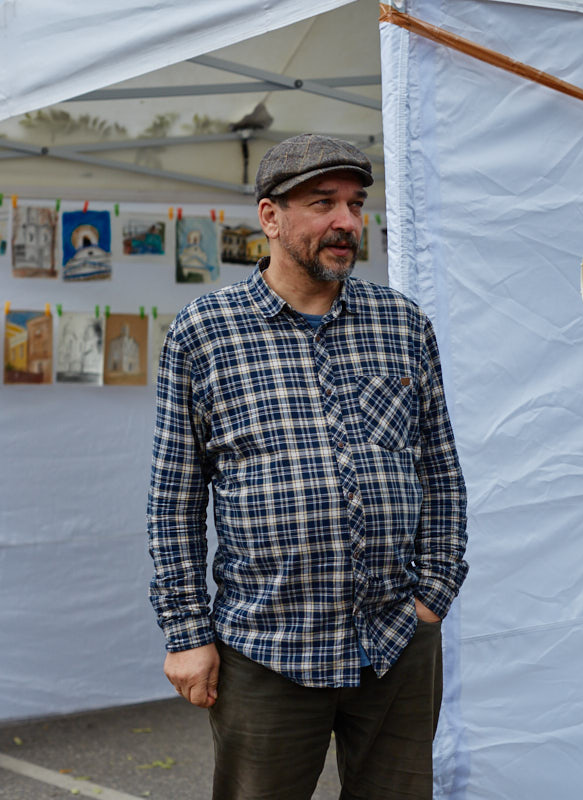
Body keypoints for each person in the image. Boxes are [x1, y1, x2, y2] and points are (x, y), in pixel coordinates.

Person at [147, 133, 468, 800]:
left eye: (355, 204)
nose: (347, 222)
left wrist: (433, 592)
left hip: (394, 641)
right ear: (270, 217)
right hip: (265, 647)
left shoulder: (402, 325)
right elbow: (174, 501)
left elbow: (440, 472)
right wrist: (186, 633)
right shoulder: (206, 331)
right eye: (323, 203)